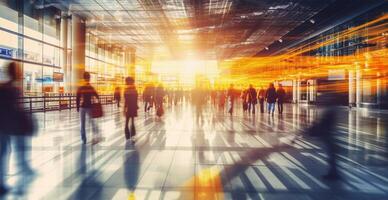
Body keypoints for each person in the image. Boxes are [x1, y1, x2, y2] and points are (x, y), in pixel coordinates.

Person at [0, 62, 35, 195]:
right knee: (9, 151)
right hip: (9, 126)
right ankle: (10, 181)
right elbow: (18, 109)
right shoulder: (14, 89)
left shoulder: (3, 87)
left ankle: (2, 183)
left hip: (3, 126)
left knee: (3, 152)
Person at [76, 72, 100, 144]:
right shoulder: (90, 87)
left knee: (83, 123)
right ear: (89, 78)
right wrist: (97, 102)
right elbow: (97, 95)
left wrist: (77, 107)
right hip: (89, 107)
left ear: (83, 78)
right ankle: (93, 137)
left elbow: (77, 98)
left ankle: (84, 139)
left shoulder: (81, 87)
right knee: (92, 122)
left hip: (82, 107)